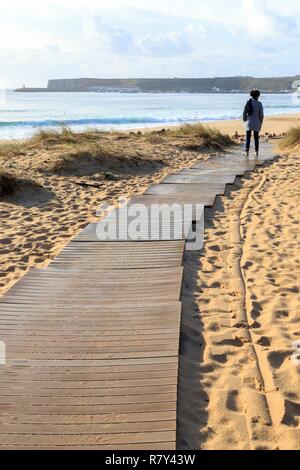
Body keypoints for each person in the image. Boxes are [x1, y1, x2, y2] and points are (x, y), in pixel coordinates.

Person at [243, 89, 264, 157]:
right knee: (256, 138)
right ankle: (256, 152)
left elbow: (244, 112)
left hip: (249, 122)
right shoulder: (259, 104)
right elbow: (261, 115)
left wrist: (244, 119)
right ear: (258, 95)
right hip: (257, 122)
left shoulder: (248, 102)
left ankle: (246, 152)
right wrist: (261, 122)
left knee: (248, 137)